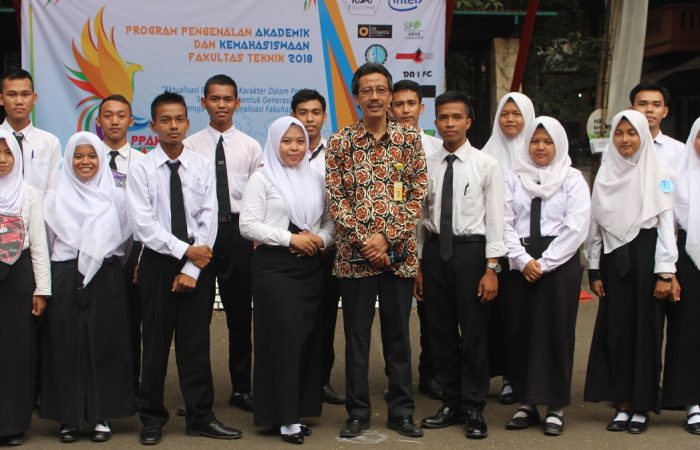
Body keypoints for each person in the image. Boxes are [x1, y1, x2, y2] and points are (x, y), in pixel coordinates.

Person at [127, 92, 241, 445]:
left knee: (195, 343)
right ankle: (151, 417)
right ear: (153, 125)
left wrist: (191, 267)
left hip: (197, 261)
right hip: (158, 262)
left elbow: (210, 216)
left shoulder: (201, 165)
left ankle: (200, 416)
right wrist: (184, 250)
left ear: (188, 123)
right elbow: (143, 225)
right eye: (165, 120)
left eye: (179, 119)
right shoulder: (141, 168)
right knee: (155, 343)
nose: (173, 126)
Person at [326, 63, 427, 439]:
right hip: (354, 258)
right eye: (366, 90)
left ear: (390, 95)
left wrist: (385, 238)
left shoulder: (409, 140)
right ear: (356, 97)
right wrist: (366, 244)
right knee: (357, 337)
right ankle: (358, 412)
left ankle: (402, 411)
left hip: (399, 256)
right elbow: (336, 199)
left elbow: (417, 193)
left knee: (398, 335)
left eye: (381, 90)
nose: (374, 97)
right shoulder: (341, 142)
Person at [415, 91, 505, 440]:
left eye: (456, 117)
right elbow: (420, 219)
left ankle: (474, 408)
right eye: (443, 118)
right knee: (439, 333)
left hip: (472, 254)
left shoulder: (486, 164)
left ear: (469, 121)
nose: (449, 123)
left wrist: (492, 268)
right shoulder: (426, 164)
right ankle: (451, 403)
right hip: (436, 253)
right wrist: (419, 264)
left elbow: (496, 219)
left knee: (474, 335)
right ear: (435, 122)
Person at [240, 116, 334, 445]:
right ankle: (282, 417)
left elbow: (329, 223)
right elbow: (248, 225)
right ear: (274, 143)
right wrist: (290, 238)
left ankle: (297, 410)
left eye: (299, 141)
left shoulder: (316, 178)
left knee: (307, 338)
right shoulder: (262, 178)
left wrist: (320, 240)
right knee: (283, 339)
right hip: (274, 268)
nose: (294, 148)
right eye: (286, 141)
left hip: (310, 267)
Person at [584, 109, 677, 434]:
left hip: (647, 259)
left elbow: (666, 224)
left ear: (642, 136)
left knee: (646, 332)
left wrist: (665, 273)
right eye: (620, 133)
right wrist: (594, 270)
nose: (625, 139)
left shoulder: (659, 172)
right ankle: (622, 403)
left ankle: (642, 406)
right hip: (614, 261)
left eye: (632, 133)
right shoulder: (605, 174)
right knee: (617, 332)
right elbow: (595, 226)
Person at [40, 131, 134, 443]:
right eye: (78, 156)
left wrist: (101, 261)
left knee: (104, 343)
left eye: (92, 155)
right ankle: (68, 418)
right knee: (65, 344)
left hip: (106, 275)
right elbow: (48, 242)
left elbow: (125, 241)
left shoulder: (116, 196)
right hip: (66, 274)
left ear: (101, 159)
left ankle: (101, 416)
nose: (85, 162)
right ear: (68, 159)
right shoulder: (54, 199)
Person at [501, 117, 590, 436]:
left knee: (556, 332)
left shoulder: (573, 178)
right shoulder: (513, 176)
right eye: (535, 141)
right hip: (520, 262)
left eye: (548, 141)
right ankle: (527, 403)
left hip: (559, 264)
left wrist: (545, 262)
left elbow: (577, 226)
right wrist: (523, 259)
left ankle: (555, 406)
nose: (540, 147)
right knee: (521, 331)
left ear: (559, 145)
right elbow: (503, 220)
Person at [184, 75, 261, 413]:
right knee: (195, 317)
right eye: (214, 99)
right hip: (201, 235)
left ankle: (241, 388)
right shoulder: (189, 146)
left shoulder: (251, 147)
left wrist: (255, 237)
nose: (221, 105)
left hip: (237, 234)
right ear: (203, 102)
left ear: (237, 103)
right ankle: (197, 393)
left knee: (240, 315)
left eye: (228, 99)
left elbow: (259, 197)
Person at [290, 88, 346, 406]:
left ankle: (321, 380)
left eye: (315, 113)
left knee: (325, 318)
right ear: (293, 115)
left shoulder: (337, 152)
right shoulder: (283, 152)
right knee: (294, 319)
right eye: (303, 112)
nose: (309, 119)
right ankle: (293, 379)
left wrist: (325, 240)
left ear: (325, 117)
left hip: (328, 248)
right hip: (291, 249)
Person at [481, 92, 536, 404]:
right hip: (494, 250)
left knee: (525, 317)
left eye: (517, 113)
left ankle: (527, 376)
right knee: (499, 317)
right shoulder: (485, 155)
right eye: (505, 113)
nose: (510, 119)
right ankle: (507, 378)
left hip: (529, 251)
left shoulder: (539, 152)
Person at [390, 79, 442, 400]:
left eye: (411, 104)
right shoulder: (383, 147)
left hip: (427, 244)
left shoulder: (437, 149)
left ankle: (430, 374)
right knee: (394, 317)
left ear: (422, 107)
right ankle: (395, 379)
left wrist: (422, 256)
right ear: (390, 109)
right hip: (391, 245)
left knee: (431, 314)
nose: (405, 110)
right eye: (399, 104)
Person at [0, 130, 50, 446]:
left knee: (17, 351)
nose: (2, 159)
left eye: (8, 153)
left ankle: (12, 425)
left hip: (18, 277)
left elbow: (40, 244)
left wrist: (42, 289)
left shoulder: (28, 193)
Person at [95, 94, 145, 391]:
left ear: (131, 121)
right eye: (108, 115)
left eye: (121, 115)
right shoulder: (87, 158)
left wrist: (141, 257)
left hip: (134, 250)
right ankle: (98, 386)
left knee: (132, 321)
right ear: (98, 121)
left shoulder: (143, 162)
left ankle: (131, 387)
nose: (114, 121)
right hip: (96, 251)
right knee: (98, 321)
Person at [663, 117, 700, 434]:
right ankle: (692, 403)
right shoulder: (675, 178)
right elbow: (668, 226)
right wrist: (670, 272)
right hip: (687, 260)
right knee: (687, 331)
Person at [0, 69, 61, 194]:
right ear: (1, 99)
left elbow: (53, 191)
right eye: (11, 94)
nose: (19, 101)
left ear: (34, 98)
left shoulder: (50, 143)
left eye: (25, 94)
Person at [629, 81, 684, 173]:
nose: (649, 110)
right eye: (642, 104)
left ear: (665, 112)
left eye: (656, 105)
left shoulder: (680, 150)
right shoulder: (617, 149)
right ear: (631, 110)